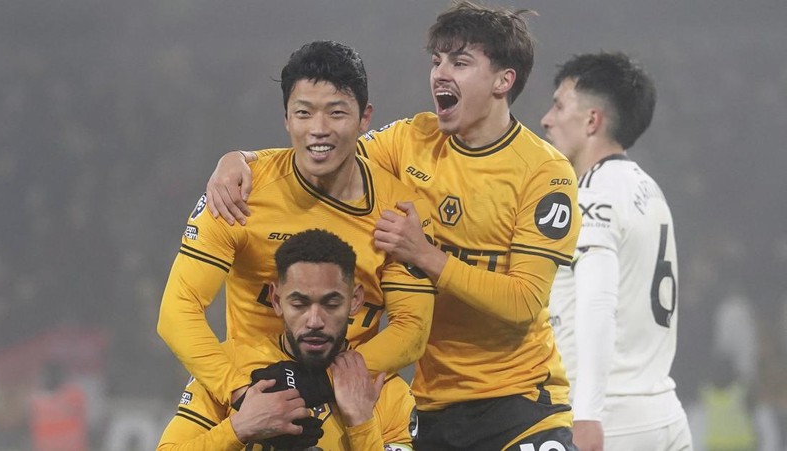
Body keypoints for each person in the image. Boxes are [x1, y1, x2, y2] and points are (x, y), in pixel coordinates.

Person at [206, 3, 581, 449]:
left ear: (504, 80)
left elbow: (524, 302)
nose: (441, 74)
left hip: (518, 402)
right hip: (429, 404)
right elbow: (327, 148)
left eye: (460, 63)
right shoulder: (409, 140)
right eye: (436, 61)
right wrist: (241, 159)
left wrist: (425, 255)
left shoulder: (544, 172)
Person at [157, 40, 436, 410]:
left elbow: (411, 331)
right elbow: (178, 310)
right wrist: (240, 391)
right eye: (304, 113)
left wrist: (322, 382)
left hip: (345, 403)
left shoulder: (402, 212)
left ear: (364, 118)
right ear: (286, 119)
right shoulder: (238, 192)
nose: (318, 129)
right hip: (247, 393)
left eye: (336, 113)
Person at [542, 52, 692, 450]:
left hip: (612, 420)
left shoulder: (594, 197)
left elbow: (598, 303)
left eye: (558, 106)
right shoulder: (647, 189)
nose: (546, 119)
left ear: (592, 120)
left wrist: (588, 414)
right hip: (664, 409)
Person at [157, 229, 416, 450]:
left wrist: (361, 424)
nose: (315, 320)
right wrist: (239, 428)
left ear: (355, 301)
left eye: (331, 303)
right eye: (299, 303)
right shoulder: (232, 366)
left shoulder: (385, 390)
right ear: (277, 300)